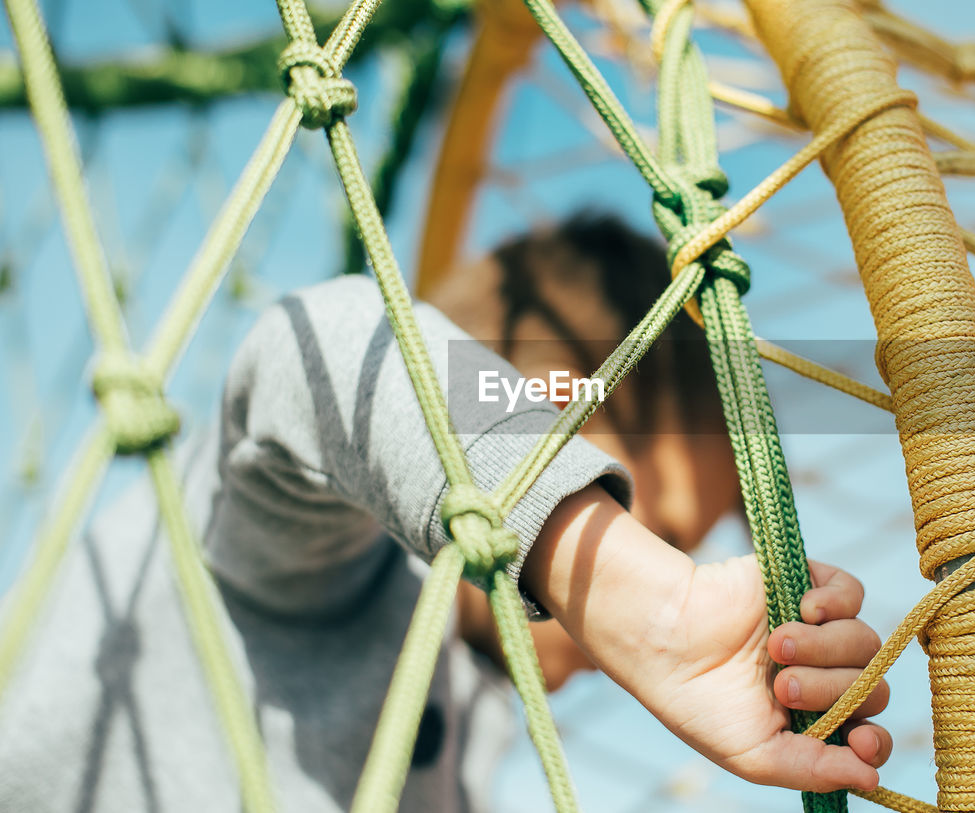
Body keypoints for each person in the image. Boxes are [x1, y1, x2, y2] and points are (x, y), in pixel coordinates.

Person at [0, 214, 890, 811]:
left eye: (671, 552)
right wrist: (648, 600)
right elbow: (322, 344)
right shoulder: (311, 545)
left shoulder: (478, 708)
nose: (658, 560)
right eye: (650, 531)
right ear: (528, 404)